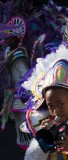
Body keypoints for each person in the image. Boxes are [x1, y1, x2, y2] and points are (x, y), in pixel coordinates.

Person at [0, 17, 32, 150]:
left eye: (10, 38)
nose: (7, 41)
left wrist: (24, 91)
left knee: (24, 118)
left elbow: (25, 75)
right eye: (6, 38)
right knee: (20, 119)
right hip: (16, 91)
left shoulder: (18, 55)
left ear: (16, 39)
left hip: (21, 91)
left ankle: (29, 144)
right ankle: (24, 142)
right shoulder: (12, 53)